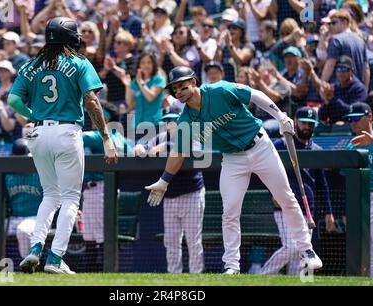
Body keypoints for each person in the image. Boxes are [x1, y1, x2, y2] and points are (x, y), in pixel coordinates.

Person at [145, 66, 323, 274]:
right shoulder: (185, 119)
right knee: (229, 211)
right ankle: (232, 265)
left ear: (193, 82)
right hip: (232, 158)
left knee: (286, 198)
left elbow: (254, 95)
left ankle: (307, 250)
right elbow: (178, 152)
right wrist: (164, 181)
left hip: (260, 146)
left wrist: (280, 116)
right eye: (175, 89)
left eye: (182, 86)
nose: (179, 92)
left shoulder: (219, 89)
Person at [8, 16, 118, 274]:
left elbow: (13, 100)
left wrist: (33, 115)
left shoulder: (30, 65)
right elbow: (91, 100)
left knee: (50, 194)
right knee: (70, 198)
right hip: (67, 131)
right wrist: (105, 137)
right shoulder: (79, 62)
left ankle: (35, 248)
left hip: (37, 134)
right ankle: (55, 259)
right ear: (72, 39)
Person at [260, 107, 334, 275]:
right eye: (303, 122)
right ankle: (262, 275)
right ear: (294, 122)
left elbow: (322, 184)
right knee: (292, 246)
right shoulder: (281, 145)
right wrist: (273, 192)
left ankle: (299, 282)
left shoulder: (316, 150)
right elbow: (264, 171)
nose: (307, 126)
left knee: (303, 254)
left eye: (310, 123)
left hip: (308, 208)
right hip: (285, 205)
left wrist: (329, 211)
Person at [143, 112, 206, 273]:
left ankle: (196, 275)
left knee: (193, 239)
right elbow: (143, 148)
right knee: (171, 240)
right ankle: (174, 274)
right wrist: (139, 148)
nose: (169, 124)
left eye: (173, 121)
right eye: (166, 121)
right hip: (169, 196)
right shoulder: (160, 137)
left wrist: (167, 147)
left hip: (191, 193)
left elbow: (196, 151)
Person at [0, 139, 41, 272]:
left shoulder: (41, 173)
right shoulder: (8, 175)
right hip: (14, 218)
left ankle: (29, 271)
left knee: (24, 231)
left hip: (37, 218)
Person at [81, 103, 133, 272]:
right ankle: (96, 271)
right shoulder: (120, 138)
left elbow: (76, 137)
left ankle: (104, 270)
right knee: (91, 235)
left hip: (100, 190)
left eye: (96, 114)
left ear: (106, 118)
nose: (91, 117)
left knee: (99, 236)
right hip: (98, 191)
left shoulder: (101, 136)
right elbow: (131, 150)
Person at [346, 102, 373, 277]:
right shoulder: (351, 146)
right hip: (357, 202)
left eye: (356, 118)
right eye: (349, 119)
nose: (352, 122)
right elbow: (343, 181)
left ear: (369, 117)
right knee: (366, 255)